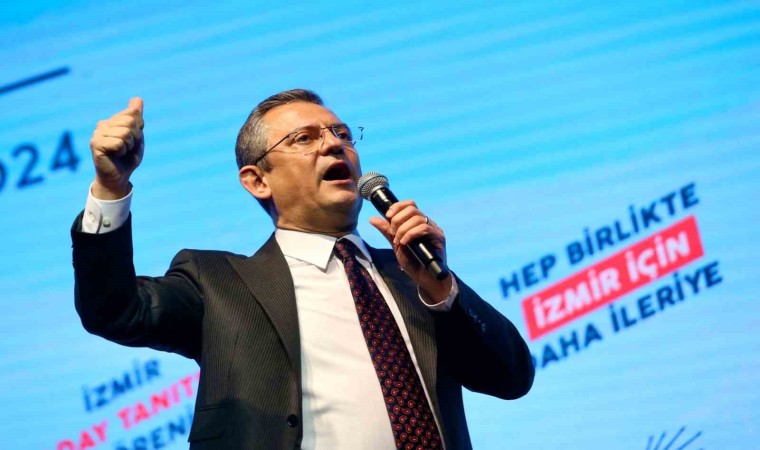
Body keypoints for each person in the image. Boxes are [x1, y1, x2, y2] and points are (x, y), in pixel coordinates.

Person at [72, 89, 535, 450]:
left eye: (342, 134)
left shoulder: (412, 273)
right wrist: (110, 187)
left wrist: (441, 289)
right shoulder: (217, 283)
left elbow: (511, 377)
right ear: (257, 180)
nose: (334, 144)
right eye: (305, 138)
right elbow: (114, 310)